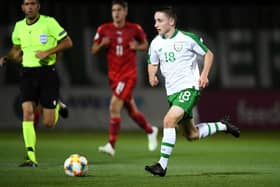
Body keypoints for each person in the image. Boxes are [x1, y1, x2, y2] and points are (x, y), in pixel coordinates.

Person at [144, 6, 240, 177]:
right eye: (155, 21)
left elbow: (208, 54)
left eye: (159, 20)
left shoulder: (187, 38)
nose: (155, 24)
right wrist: (152, 75)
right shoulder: (156, 43)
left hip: (189, 88)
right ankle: (222, 125)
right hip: (172, 93)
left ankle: (162, 165)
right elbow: (152, 62)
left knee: (168, 120)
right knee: (191, 134)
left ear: (171, 21)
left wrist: (204, 75)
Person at [0, 0, 72, 167]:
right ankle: (31, 157)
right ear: (22, 7)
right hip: (27, 73)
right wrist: (8, 57)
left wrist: (48, 51)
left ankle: (58, 106)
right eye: (26, 4)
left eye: (33, 3)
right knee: (27, 112)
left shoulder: (49, 22)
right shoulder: (18, 26)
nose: (30, 6)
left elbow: (68, 42)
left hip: (47, 73)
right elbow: (16, 48)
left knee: (48, 123)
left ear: (38, 6)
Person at [91, 0, 158, 156]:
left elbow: (146, 45)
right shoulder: (104, 29)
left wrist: (137, 47)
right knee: (131, 110)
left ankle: (111, 145)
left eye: (119, 9)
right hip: (113, 77)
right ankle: (150, 130)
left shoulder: (134, 28)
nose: (116, 13)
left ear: (125, 12)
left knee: (114, 106)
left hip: (128, 75)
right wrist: (102, 44)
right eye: (114, 9)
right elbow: (93, 50)